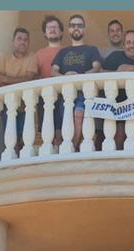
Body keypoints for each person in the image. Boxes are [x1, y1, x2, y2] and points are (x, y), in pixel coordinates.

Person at [51, 14, 102, 150]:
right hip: (66, 94)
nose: (76, 28)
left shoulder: (91, 50)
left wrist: (80, 76)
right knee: (67, 124)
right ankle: (72, 148)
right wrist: (64, 77)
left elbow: (96, 67)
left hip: (85, 93)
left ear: (84, 29)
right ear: (69, 29)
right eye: (73, 25)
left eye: (79, 25)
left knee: (79, 116)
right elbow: (53, 71)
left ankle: (72, 148)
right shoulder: (62, 52)